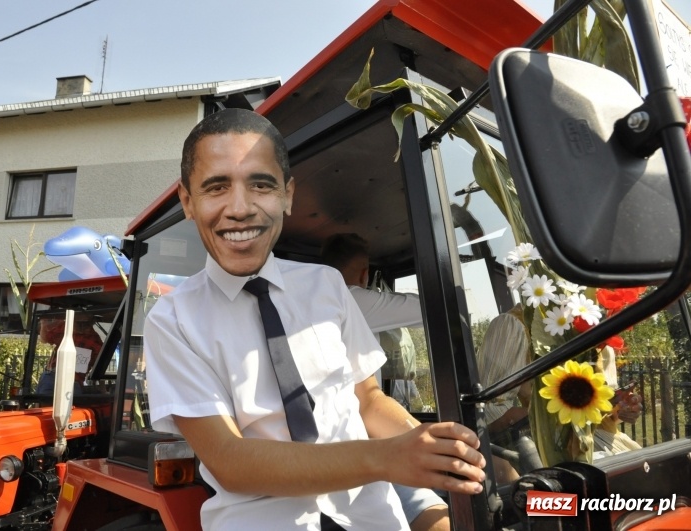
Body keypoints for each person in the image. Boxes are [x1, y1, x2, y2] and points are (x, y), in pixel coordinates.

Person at [145, 108, 486, 530]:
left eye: (261, 185)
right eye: (217, 187)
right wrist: (386, 457)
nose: (239, 208)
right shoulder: (173, 319)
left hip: (372, 517)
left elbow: (366, 400)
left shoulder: (326, 285)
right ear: (187, 201)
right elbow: (230, 460)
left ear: (287, 195)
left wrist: (435, 447)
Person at [321, 233, 448, 531]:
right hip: (363, 453)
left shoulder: (319, 308)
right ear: (365, 273)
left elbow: (370, 400)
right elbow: (430, 307)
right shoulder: (350, 298)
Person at [35, 317, 103, 395]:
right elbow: (45, 337)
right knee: (45, 403)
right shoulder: (64, 328)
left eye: (85, 323)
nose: (81, 325)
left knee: (70, 405)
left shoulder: (96, 341)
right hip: (52, 376)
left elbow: (99, 365)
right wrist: (45, 319)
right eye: (78, 322)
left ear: (92, 321)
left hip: (73, 381)